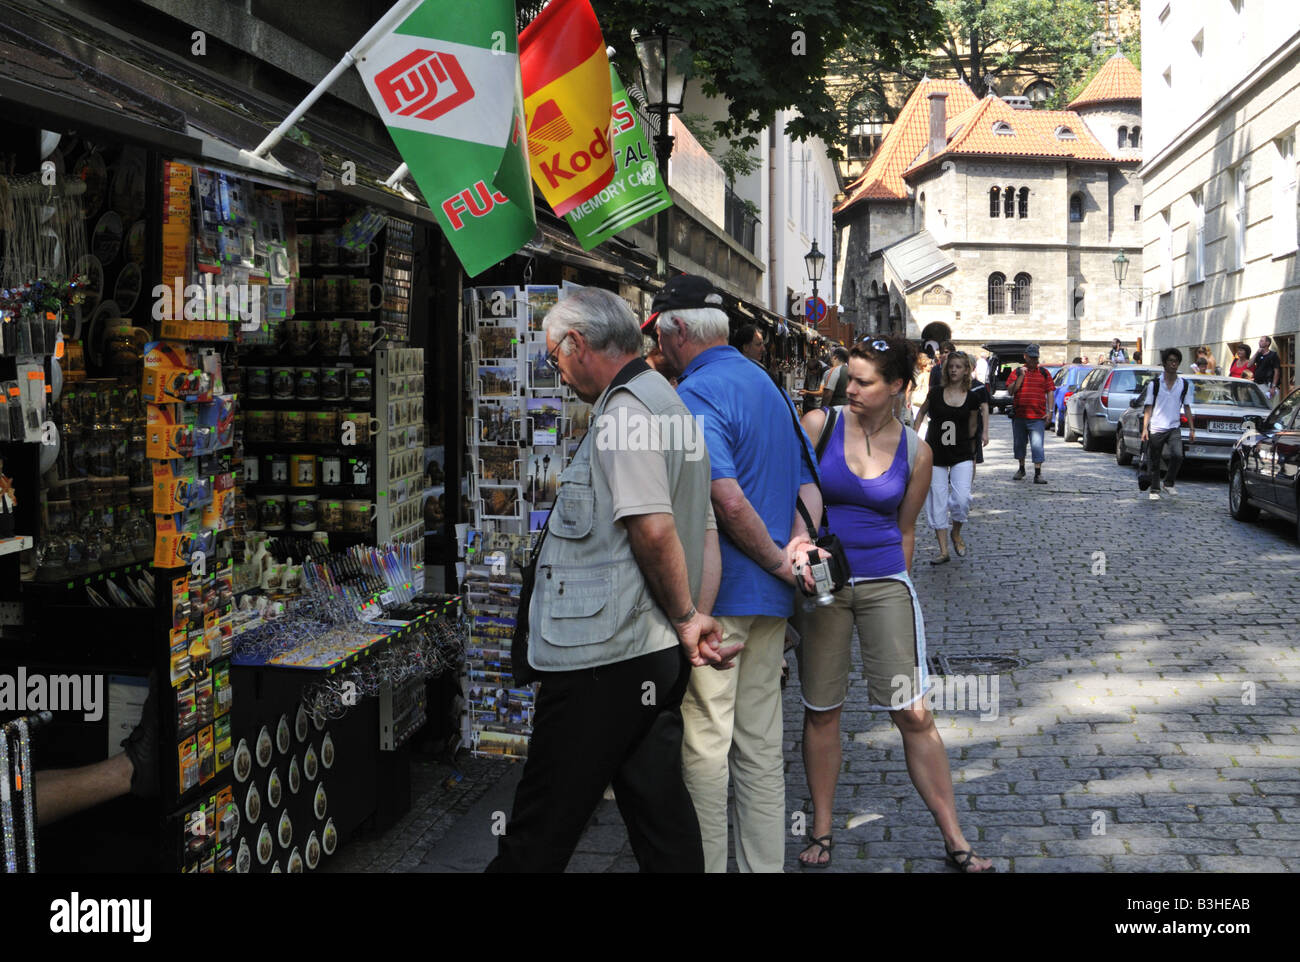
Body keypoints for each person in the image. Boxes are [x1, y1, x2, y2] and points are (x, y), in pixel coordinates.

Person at [488, 286, 727, 873]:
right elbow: (705, 532)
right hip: (642, 652)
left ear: (576, 343)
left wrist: (686, 618)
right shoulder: (664, 400)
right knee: (661, 818)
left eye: (553, 358)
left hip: (604, 659)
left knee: (539, 830)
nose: (558, 374)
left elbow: (652, 529)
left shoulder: (627, 412)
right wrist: (690, 620)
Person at [793, 337, 993, 872]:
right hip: (824, 586)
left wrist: (898, 588)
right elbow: (797, 500)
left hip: (885, 583)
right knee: (822, 710)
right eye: (849, 379)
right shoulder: (820, 426)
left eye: (863, 382)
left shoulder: (916, 451)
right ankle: (822, 828)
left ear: (898, 388)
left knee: (913, 711)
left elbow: (905, 531)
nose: (849, 388)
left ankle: (954, 835)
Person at [652, 274, 819, 874]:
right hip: (771, 599)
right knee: (759, 746)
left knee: (705, 743)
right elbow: (807, 484)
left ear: (676, 333)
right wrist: (798, 548)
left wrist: (778, 557)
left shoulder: (695, 395)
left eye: (659, 335)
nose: (659, 349)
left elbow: (723, 499)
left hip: (716, 597)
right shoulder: (767, 385)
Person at [916, 351, 980, 562]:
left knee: (962, 499)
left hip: (961, 453)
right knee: (937, 500)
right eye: (951, 366)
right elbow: (921, 413)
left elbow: (972, 429)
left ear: (965, 371)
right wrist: (915, 439)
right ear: (946, 369)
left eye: (958, 367)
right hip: (935, 453)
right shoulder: (935, 393)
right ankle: (943, 550)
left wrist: (973, 456)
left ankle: (956, 532)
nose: (954, 370)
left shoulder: (972, 397)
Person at [1141, 347, 1195, 502]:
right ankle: (1155, 488)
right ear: (1164, 363)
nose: (1174, 364)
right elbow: (1148, 407)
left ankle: (1169, 482)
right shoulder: (1155, 384)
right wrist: (1145, 428)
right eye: (1171, 361)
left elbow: (1187, 407)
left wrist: (1192, 429)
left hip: (1173, 426)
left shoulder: (1183, 385)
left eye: (1176, 361)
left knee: (1178, 455)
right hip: (1156, 426)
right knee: (1155, 459)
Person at [1005, 343, 1055, 484]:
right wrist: (1021, 376)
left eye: (1035, 358)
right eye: (1031, 358)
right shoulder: (1017, 372)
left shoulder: (1044, 373)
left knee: (1037, 445)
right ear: (1025, 357)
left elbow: (1050, 392)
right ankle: (1021, 469)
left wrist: (1050, 411)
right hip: (1020, 415)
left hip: (1038, 417)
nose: (1033, 360)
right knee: (1020, 444)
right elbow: (1011, 391)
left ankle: (1038, 473)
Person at [1251, 336, 1281, 401]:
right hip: (1257, 384)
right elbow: (1249, 365)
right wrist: (1256, 353)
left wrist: (1273, 387)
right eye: (1259, 341)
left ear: (1267, 343)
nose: (1259, 342)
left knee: (1269, 406)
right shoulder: (1259, 354)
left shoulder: (1273, 355)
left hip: (1268, 385)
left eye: (1261, 341)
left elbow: (1277, 372)